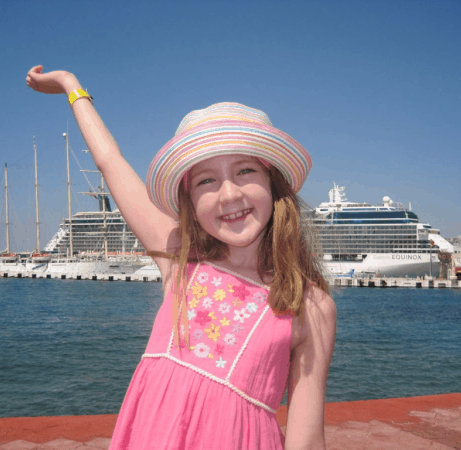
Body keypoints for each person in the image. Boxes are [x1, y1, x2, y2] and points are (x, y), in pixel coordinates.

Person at [26, 65, 337, 450]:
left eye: (244, 171)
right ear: (189, 200)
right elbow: (111, 162)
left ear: (272, 183)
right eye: (206, 180)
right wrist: (71, 87)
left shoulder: (311, 304)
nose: (228, 195)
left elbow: (306, 440)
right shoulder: (180, 258)